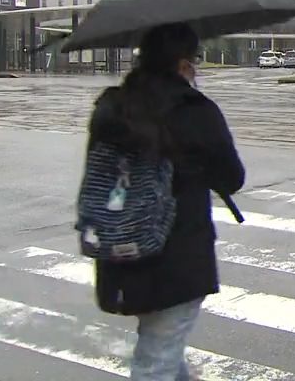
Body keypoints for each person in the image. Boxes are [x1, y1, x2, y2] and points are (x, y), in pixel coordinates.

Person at [84, 23, 245, 380]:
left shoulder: (111, 107)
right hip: (178, 253)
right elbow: (232, 178)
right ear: (183, 63)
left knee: (161, 343)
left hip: (123, 248)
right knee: (155, 361)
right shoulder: (194, 110)